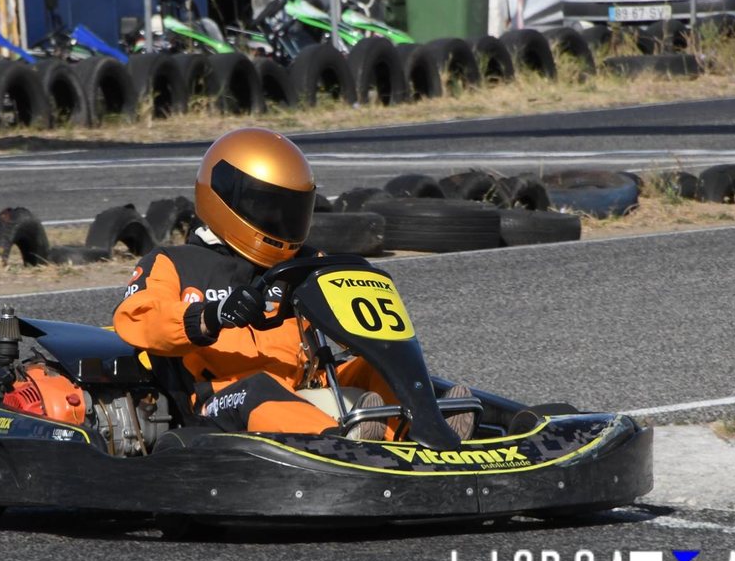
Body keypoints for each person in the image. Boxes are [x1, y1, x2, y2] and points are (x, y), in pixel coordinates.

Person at [112, 126, 473, 438]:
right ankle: (339, 445)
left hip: (305, 386)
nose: (280, 220)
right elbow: (136, 319)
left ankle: (422, 429)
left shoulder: (307, 263)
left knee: (372, 364)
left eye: (290, 210)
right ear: (223, 196)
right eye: (268, 208)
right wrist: (210, 315)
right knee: (259, 388)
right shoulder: (173, 263)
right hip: (221, 402)